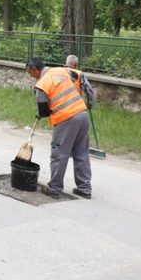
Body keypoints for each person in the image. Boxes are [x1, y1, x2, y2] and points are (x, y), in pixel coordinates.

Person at [26, 57, 92, 199]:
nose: (31, 76)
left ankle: (55, 189)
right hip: (82, 113)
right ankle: (84, 188)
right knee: (81, 152)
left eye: (30, 73)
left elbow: (44, 111)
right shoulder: (61, 71)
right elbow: (76, 78)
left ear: (35, 69)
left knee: (59, 154)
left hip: (66, 118)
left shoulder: (41, 85)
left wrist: (40, 113)